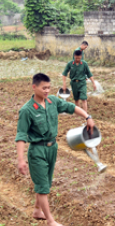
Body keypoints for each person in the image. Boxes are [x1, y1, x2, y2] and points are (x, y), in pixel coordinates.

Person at [16, 73, 95, 226]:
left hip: (52, 148)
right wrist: (20, 160)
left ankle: (37, 211)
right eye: (43, 88)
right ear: (34, 87)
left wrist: (87, 117)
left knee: (46, 182)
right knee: (43, 186)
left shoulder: (52, 101)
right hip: (37, 150)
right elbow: (21, 135)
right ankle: (51, 221)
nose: (47, 90)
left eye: (49, 87)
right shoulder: (27, 110)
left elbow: (71, 107)